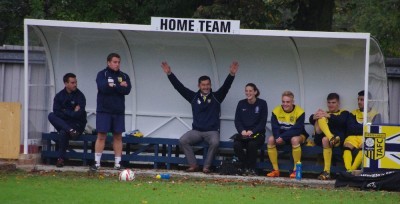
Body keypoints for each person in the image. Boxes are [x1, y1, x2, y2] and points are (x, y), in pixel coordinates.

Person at [161, 61, 239, 173]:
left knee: (215, 142)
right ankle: (193, 165)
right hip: (196, 131)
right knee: (183, 140)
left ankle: (206, 167)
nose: (206, 87)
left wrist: (231, 74)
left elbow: (226, 87)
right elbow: (179, 88)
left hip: (212, 131)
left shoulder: (217, 97)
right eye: (203, 85)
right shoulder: (193, 97)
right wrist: (169, 74)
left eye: (208, 84)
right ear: (199, 86)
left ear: (210, 85)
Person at [90, 53, 132, 171]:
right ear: (108, 62)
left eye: (118, 62)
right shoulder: (102, 74)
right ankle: (97, 163)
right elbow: (103, 87)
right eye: (114, 62)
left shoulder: (124, 75)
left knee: (118, 136)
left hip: (118, 111)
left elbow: (127, 90)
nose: (117, 64)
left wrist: (114, 85)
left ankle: (118, 163)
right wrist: (119, 85)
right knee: (101, 136)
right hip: (104, 110)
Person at [48, 73, 87, 168]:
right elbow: (56, 112)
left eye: (76, 82)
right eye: (72, 82)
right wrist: (72, 112)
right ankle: (69, 129)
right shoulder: (59, 96)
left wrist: (65, 111)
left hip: (77, 125)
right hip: (66, 124)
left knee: (63, 132)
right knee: (51, 115)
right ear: (66, 84)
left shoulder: (80, 96)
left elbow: (79, 114)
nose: (75, 85)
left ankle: (60, 159)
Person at [266, 91, 308, 178]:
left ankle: (296, 170)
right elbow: (274, 127)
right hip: (281, 136)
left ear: (293, 102)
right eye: (283, 102)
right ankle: (275, 170)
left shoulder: (300, 111)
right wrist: (277, 137)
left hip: (298, 135)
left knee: (294, 139)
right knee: (270, 139)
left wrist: (282, 137)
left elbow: (297, 129)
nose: (285, 104)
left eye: (288, 102)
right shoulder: (276, 110)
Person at [309, 93, 349, 180]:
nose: (331, 105)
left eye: (333, 102)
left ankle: (326, 171)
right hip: (325, 139)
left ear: (338, 103)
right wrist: (314, 117)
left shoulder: (344, 113)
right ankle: (331, 138)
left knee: (325, 138)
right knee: (321, 122)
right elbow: (311, 119)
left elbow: (341, 121)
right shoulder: (324, 113)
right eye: (329, 103)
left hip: (338, 139)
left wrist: (329, 116)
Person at [233, 83, 268, 176]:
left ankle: (251, 169)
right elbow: (237, 121)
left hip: (257, 135)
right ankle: (245, 167)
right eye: (246, 91)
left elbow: (262, 122)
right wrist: (242, 131)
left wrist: (252, 131)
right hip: (244, 135)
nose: (248, 93)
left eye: (250, 91)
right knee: (236, 145)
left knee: (252, 145)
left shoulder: (262, 103)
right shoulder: (241, 103)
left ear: (255, 92)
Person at [344, 91, 381, 172]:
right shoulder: (353, 113)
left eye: (362, 100)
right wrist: (365, 127)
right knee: (347, 146)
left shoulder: (376, 114)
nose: (359, 102)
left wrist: (358, 127)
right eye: (358, 99)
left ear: (369, 101)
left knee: (364, 146)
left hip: (365, 137)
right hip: (352, 137)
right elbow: (350, 128)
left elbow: (373, 129)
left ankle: (351, 170)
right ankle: (348, 169)